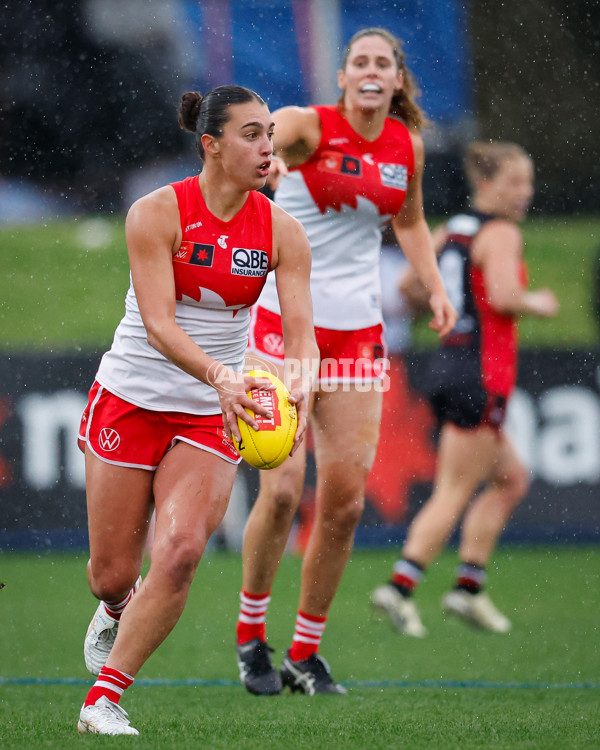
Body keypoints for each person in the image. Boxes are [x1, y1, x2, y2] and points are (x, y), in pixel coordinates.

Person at [75, 85, 318, 735]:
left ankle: (105, 698)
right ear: (211, 145)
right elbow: (157, 325)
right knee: (111, 573)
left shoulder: (282, 230)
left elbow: (301, 334)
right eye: (250, 135)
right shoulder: (155, 213)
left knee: (181, 550)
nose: (267, 146)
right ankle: (116, 606)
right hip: (132, 397)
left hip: (214, 412)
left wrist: (298, 387)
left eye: (269, 132)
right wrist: (220, 375)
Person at [235, 27, 456, 697]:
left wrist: (437, 286)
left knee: (344, 505)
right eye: (359, 61)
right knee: (278, 492)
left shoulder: (405, 146)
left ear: (395, 79)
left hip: (358, 333)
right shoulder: (308, 126)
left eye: (381, 63)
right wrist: (262, 150)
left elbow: (411, 222)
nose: (369, 70)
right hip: (280, 325)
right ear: (343, 75)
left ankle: (305, 654)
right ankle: (250, 636)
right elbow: (269, 131)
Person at [371, 141, 559, 636]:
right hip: (482, 372)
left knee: (510, 477)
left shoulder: (452, 228)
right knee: (454, 490)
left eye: (528, 182)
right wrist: (538, 302)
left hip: (447, 364)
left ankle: (468, 588)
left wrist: (444, 309)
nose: (525, 193)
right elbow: (502, 295)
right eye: (515, 182)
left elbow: (410, 286)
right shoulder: (500, 233)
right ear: (487, 185)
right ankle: (400, 586)